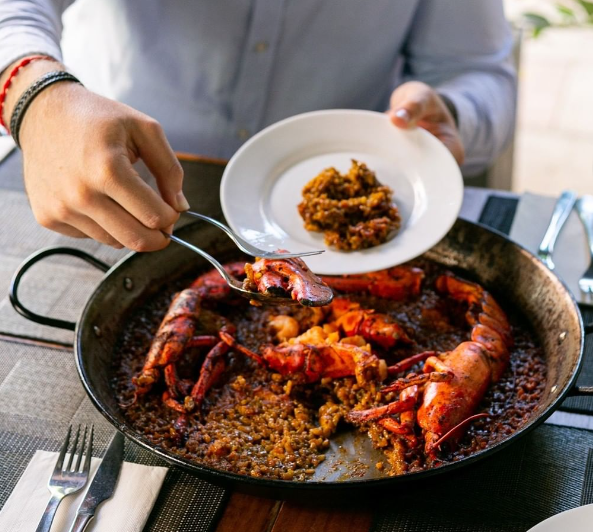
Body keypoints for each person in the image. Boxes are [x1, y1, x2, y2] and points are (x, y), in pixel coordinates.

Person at [0, 0, 516, 251]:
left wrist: (455, 113)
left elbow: (478, 71)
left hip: (340, 239)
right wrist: (37, 96)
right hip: (104, 188)